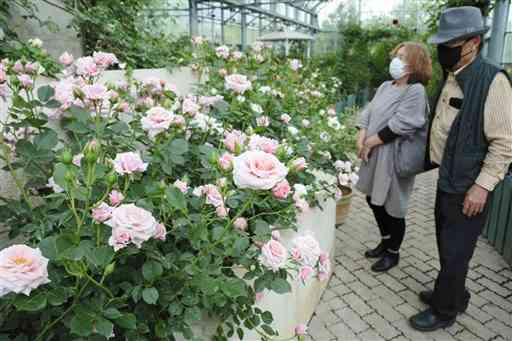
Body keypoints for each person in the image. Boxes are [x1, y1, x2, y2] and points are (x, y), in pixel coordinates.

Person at [409, 6, 512, 332]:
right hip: (448, 178)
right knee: (446, 244)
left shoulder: (492, 81)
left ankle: (444, 311)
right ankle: (453, 292)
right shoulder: (454, 74)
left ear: (473, 43)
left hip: (468, 186)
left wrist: (482, 186)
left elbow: (505, 143)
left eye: (451, 43)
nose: (444, 49)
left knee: (456, 253)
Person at [355, 42, 432, 273]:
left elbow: (401, 125)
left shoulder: (415, 91)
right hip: (375, 155)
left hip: (394, 158)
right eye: (396, 55)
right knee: (372, 199)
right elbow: (368, 112)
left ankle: (393, 253)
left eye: (402, 57)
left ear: (414, 64)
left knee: (393, 206)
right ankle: (385, 240)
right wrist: (361, 136)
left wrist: (368, 142)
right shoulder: (384, 86)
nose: (395, 60)